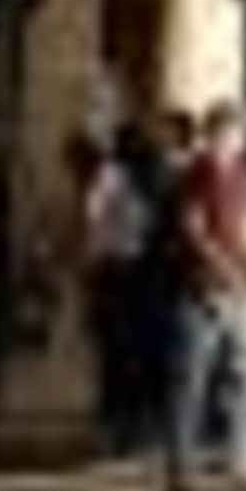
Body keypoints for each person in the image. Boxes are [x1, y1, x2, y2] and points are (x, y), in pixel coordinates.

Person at [164, 97, 246, 491]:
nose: (245, 137)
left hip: (245, 290)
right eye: (239, 130)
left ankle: (245, 465)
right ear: (219, 131)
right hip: (203, 290)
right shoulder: (196, 172)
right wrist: (223, 268)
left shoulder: (244, 172)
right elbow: (192, 228)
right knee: (192, 381)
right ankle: (181, 472)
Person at [77, 113, 170, 460]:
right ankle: (138, 428)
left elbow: (94, 224)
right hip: (144, 274)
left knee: (115, 354)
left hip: (116, 273)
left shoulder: (111, 177)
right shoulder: (154, 179)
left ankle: (117, 428)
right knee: (140, 352)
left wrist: (89, 266)